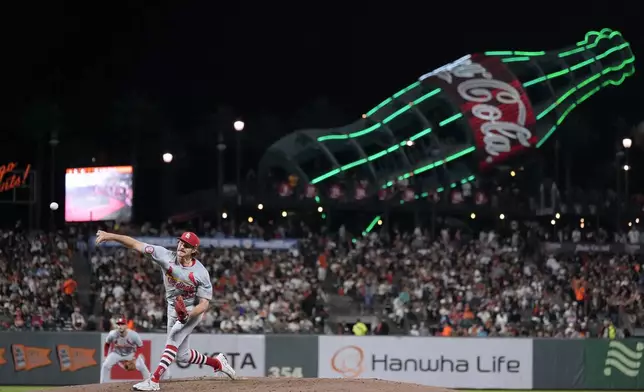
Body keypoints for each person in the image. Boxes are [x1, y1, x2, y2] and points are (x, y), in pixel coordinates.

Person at [95, 230, 236, 391]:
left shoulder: (201, 273)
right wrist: (110, 236)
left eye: (187, 245)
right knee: (182, 356)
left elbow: (204, 304)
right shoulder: (163, 255)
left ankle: (154, 380)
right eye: (181, 242)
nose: (182, 246)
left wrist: (189, 314)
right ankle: (218, 363)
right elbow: (135, 244)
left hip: (192, 310)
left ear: (194, 250)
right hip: (173, 308)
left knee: (173, 338)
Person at [101, 316, 151, 383]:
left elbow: (140, 347)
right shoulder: (113, 334)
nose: (120, 326)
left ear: (126, 326)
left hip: (130, 353)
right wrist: (105, 355)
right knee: (105, 365)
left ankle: (149, 382)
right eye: (119, 324)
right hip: (117, 353)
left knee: (142, 366)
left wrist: (135, 356)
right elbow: (107, 344)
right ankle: (102, 384)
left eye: (122, 324)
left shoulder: (133, 335)